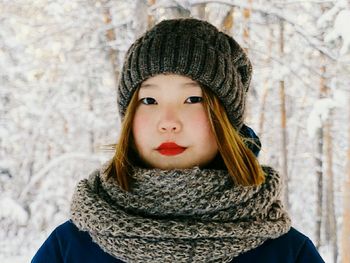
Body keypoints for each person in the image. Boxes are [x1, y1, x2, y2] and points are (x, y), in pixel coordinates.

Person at [32, 18, 325, 263]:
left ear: (226, 119)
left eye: (193, 99)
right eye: (149, 99)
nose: (169, 122)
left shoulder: (286, 252)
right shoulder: (69, 248)